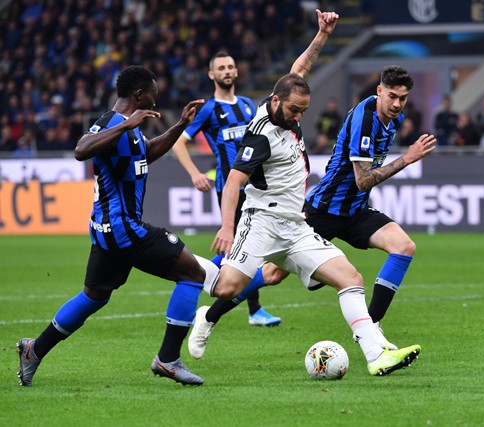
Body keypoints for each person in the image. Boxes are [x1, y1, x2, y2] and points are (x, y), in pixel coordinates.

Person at [191, 11, 426, 377]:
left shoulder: (285, 103)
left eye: (303, 110)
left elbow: (297, 73)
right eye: (295, 110)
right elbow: (234, 182)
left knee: (352, 277)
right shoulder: (261, 134)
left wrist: (322, 34)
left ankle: (376, 353)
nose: (299, 117)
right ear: (276, 102)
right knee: (235, 284)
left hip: (298, 222)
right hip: (273, 218)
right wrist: (226, 227)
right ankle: (191, 283)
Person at [16, 66, 221, 387]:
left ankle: (34, 349)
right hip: (123, 227)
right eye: (153, 93)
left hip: (108, 230)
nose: (156, 99)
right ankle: (167, 359)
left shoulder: (134, 130)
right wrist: (126, 124)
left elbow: (148, 152)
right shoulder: (113, 122)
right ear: (139, 95)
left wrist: (181, 125)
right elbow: (81, 150)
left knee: (94, 296)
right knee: (192, 274)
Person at [305, 65, 437, 341]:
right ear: (379, 91)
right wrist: (407, 159)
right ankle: (213, 312)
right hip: (325, 208)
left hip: (355, 210)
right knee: (271, 273)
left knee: (404, 246)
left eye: (403, 98)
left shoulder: (394, 120)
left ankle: (370, 329)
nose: (397, 104)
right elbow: (363, 180)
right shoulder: (365, 120)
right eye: (392, 96)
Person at [171, 51, 282, 329]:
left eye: (230, 66)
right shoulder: (208, 109)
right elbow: (178, 142)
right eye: (221, 68)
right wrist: (195, 173)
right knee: (242, 246)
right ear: (212, 74)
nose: (227, 71)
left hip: (255, 185)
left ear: (237, 71)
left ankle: (247, 306)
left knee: (247, 247)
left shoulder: (246, 105)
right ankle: (198, 276)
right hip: (229, 187)